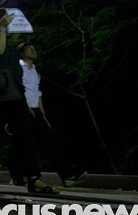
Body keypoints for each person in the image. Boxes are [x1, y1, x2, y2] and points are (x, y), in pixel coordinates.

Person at [0, 8, 58, 194]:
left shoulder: (12, 51)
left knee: (26, 137)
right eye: (4, 22)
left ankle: (34, 178)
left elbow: (17, 77)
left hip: (15, 98)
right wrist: (1, 27)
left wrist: (25, 101)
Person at [17, 41, 88, 187]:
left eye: (34, 48)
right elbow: (17, 87)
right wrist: (23, 105)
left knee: (49, 142)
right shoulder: (18, 67)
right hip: (23, 109)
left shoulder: (35, 71)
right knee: (24, 144)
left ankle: (67, 176)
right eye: (29, 49)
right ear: (21, 53)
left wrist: (43, 114)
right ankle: (21, 175)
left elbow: (38, 93)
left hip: (36, 111)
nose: (33, 50)